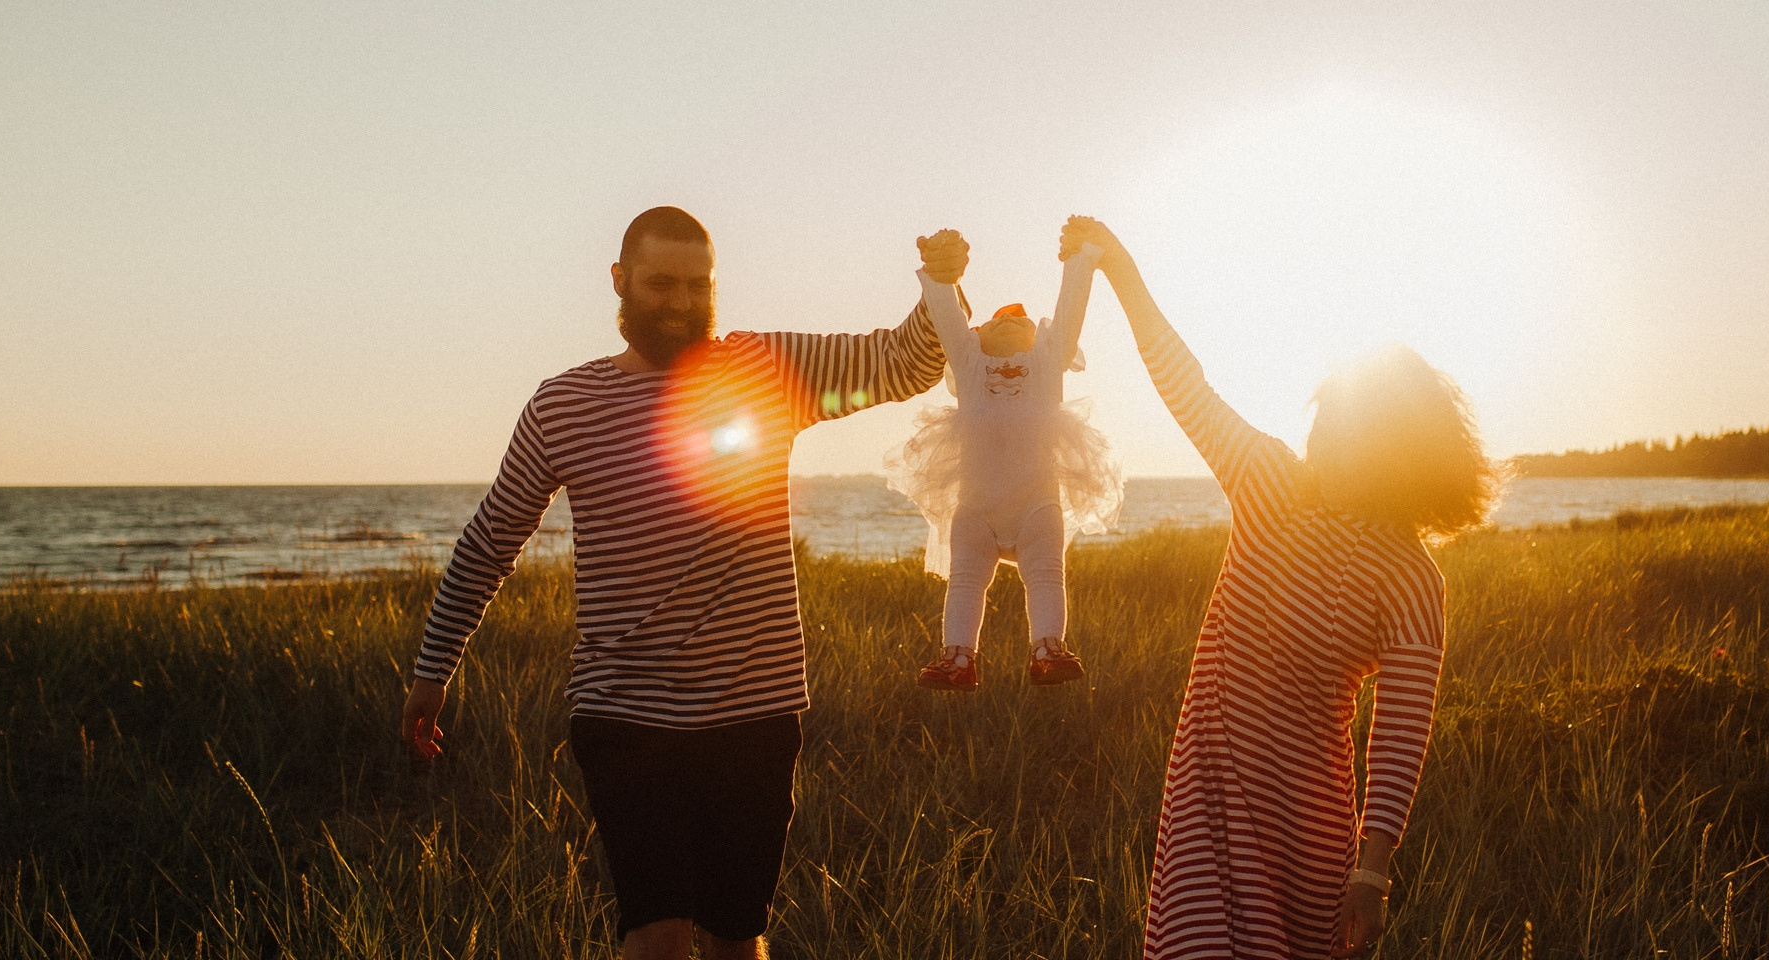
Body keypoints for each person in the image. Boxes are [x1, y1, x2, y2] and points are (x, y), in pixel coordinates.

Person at [399, 206, 963, 960]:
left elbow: (906, 364)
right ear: (620, 281)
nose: (680, 302)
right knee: (656, 934)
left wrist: (940, 281)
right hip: (624, 713)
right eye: (661, 283)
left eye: (697, 285)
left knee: (736, 938)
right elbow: (492, 539)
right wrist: (435, 668)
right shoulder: (562, 404)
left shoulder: (765, 370)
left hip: (753, 709)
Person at [1059, 216, 1500, 960]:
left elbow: (1399, 735)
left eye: (1345, 425)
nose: (1323, 435)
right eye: (1326, 419)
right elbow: (1183, 381)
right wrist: (1123, 274)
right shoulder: (1267, 483)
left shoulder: (1412, 577)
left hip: (1309, 835)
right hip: (1208, 804)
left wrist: (1373, 872)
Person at [886, 239, 1122, 691]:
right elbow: (948, 318)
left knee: (1047, 573)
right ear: (978, 337)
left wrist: (1081, 259)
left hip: (1037, 505)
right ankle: (959, 659)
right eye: (1000, 320)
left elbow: (1070, 311)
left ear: (1039, 336)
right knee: (965, 580)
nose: (1012, 321)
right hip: (977, 510)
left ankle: (1048, 649)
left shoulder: (1047, 361)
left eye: (1021, 320)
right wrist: (939, 274)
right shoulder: (970, 363)